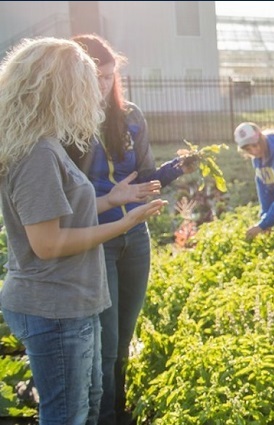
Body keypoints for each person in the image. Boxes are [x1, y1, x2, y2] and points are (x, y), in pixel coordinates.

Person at [0, 37, 165, 425]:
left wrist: (112, 200)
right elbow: (47, 243)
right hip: (54, 305)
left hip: (74, 301)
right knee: (67, 416)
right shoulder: (37, 153)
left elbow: (63, 214)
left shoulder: (45, 144)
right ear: (60, 89)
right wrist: (121, 224)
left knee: (87, 407)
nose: (95, 93)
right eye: (86, 82)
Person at [70, 34, 194, 425]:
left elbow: (147, 179)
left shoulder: (132, 116)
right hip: (97, 239)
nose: (104, 85)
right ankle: (103, 414)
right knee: (104, 342)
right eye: (96, 76)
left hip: (134, 237)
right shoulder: (66, 123)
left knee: (123, 337)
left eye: (109, 76)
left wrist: (178, 168)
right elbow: (65, 191)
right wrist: (114, 197)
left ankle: (117, 409)